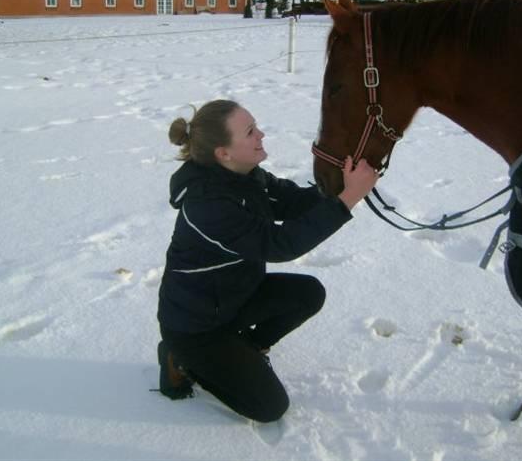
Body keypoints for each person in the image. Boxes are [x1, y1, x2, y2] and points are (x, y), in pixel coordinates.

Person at [157, 99, 378, 423]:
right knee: (270, 407)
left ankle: (249, 348)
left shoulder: (246, 175)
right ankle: (180, 361)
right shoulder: (208, 206)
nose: (261, 134)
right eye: (250, 132)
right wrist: (346, 202)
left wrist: (343, 185)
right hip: (196, 329)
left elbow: (292, 202)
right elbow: (280, 244)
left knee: (308, 294)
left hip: (233, 299)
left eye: (256, 126)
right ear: (224, 153)